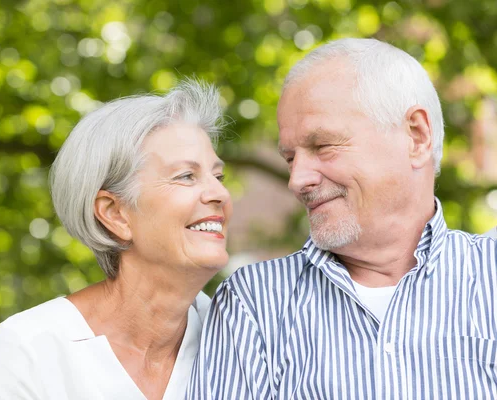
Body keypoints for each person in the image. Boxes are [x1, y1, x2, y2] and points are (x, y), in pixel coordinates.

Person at [188, 38, 497, 399]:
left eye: (323, 146)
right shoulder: (253, 304)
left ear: (416, 137)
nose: (297, 180)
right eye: (290, 158)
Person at [0, 79, 233, 400]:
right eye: (186, 176)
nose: (219, 193)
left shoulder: (241, 337)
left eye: (218, 176)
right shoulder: (30, 351)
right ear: (115, 214)